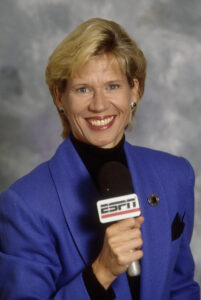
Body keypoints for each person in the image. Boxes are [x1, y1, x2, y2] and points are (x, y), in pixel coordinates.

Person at [0, 17, 199, 300]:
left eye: (112, 86)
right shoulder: (24, 203)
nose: (99, 105)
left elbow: (181, 289)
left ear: (134, 89)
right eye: (83, 89)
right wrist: (101, 272)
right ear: (60, 97)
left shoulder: (175, 175)